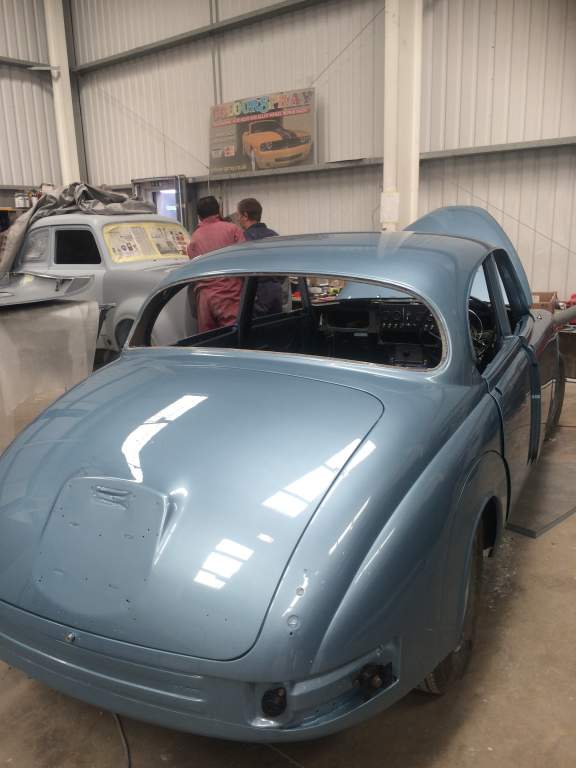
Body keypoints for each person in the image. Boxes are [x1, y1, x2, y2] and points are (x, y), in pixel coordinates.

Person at [187, 196, 245, 332]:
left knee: (209, 340)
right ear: (219, 210)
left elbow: (193, 267)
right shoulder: (233, 230)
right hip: (230, 294)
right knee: (233, 336)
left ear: (199, 216)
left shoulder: (194, 238)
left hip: (204, 299)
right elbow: (245, 259)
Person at [236, 197, 283, 315]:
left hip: (255, 295)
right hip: (276, 293)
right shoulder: (275, 236)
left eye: (238, 215)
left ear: (245, 216)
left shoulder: (244, 239)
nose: (238, 219)